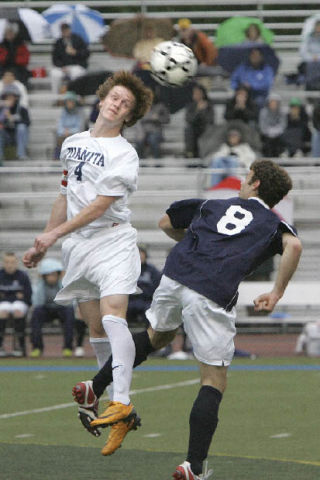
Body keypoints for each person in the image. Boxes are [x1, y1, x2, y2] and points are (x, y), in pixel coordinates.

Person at [72, 159, 302, 475]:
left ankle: (93, 386)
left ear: (256, 184)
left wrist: (199, 244)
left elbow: (166, 222)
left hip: (176, 275)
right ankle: (194, 466)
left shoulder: (212, 204)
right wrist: (276, 293)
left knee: (157, 335)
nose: (241, 181)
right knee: (213, 380)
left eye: (246, 177)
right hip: (211, 288)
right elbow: (295, 246)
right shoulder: (272, 223)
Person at [23, 70, 153, 452]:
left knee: (114, 316)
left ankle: (122, 401)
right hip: (77, 246)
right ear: (101, 100)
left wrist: (54, 234)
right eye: (114, 97)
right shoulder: (72, 142)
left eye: (125, 103)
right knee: (95, 328)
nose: (117, 104)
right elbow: (64, 195)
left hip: (112, 240)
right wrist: (45, 242)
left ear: (129, 116)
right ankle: (107, 402)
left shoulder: (125, 154)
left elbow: (99, 206)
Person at [30, 258, 75, 358]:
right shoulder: (40, 285)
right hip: (46, 309)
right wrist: (41, 281)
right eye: (48, 275)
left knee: (69, 312)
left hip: (61, 308)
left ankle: (68, 347)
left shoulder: (63, 283)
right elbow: (38, 302)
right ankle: (37, 348)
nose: (51, 277)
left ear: (58, 275)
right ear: (44, 276)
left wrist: (61, 281)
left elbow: (68, 302)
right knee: (36, 312)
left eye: (54, 274)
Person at [0, 252, 32, 357]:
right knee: (2, 311)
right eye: (7, 262)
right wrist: (15, 295)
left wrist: (5, 295)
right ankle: (1, 346)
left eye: (12, 262)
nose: (10, 265)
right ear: (3, 263)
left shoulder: (23, 276)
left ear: (17, 263)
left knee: (17, 311)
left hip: (19, 304)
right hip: (3, 304)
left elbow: (27, 295)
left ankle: (20, 345)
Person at [127, 245, 161, 325]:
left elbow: (157, 287)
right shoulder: (127, 270)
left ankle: (148, 334)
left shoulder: (152, 270)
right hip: (131, 300)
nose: (140, 257)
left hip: (147, 301)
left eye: (141, 255)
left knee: (151, 311)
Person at [51, 23, 90, 95]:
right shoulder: (58, 42)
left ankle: (76, 96)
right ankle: (56, 98)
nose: (65, 32)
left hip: (76, 65)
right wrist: (61, 66)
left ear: (70, 30)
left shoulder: (78, 39)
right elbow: (55, 59)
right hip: (63, 67)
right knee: (54, 74)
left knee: (76, 73)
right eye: (63, 30)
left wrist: (76, 52)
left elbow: (86, 54)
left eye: (66, 30)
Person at [0, 85, 31, 164]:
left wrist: (12, 118)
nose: (9, 99)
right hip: (5, 135)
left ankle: (21, 154)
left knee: (22, 127)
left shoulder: (22, 109)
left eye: (11, 97)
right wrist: (4, 116)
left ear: (16, 98)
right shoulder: (2, 109)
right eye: (7, 97)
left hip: (18, 135)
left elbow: (27, 122)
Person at [135, 91, 170, 160]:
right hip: (143, 131)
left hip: (155, 132)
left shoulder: (161, 106)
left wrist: (158, 118)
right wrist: (140, 133)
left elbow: (167, 120)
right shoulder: (142, 108)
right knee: (139, 142)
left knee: (153, 140)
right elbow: (138, 121)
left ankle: (157, 164)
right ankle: (141, 165)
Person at [184, 83, 214, 158]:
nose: (196, 95)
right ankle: (190, 153)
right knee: (189, 130)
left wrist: (203, 111)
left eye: (198, 93)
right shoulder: (190, 105)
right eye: (195, 93)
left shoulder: (209, 105)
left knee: (207, 130)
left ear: (203, 94)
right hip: (193, 129)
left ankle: (205, 154)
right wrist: (198, 110)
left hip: (204, 128)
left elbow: (210, 120)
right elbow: (189, 119)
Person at [54, 91, 84, 160]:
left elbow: (80, 128)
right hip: (64, 135)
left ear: (74, 102)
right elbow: (60, 126)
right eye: (67, 102)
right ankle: (57, 161)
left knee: (72, 140)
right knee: (59, 139)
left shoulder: (80, 112)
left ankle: (74, 160)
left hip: (76, 135)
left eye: (71, 101)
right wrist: (64, 131)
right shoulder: (63, 111)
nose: (69, 103)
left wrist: (69, 131)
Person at [259, 93, 286, 157]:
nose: (273, 104)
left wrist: (276, 131)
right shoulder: (263, 112)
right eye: (271, 102)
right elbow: (262, 126)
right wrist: (269, 132)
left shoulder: (282, 112)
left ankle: (280, 155)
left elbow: (283, 124)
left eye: (275, 102)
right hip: (266, 134)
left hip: (278, 134)